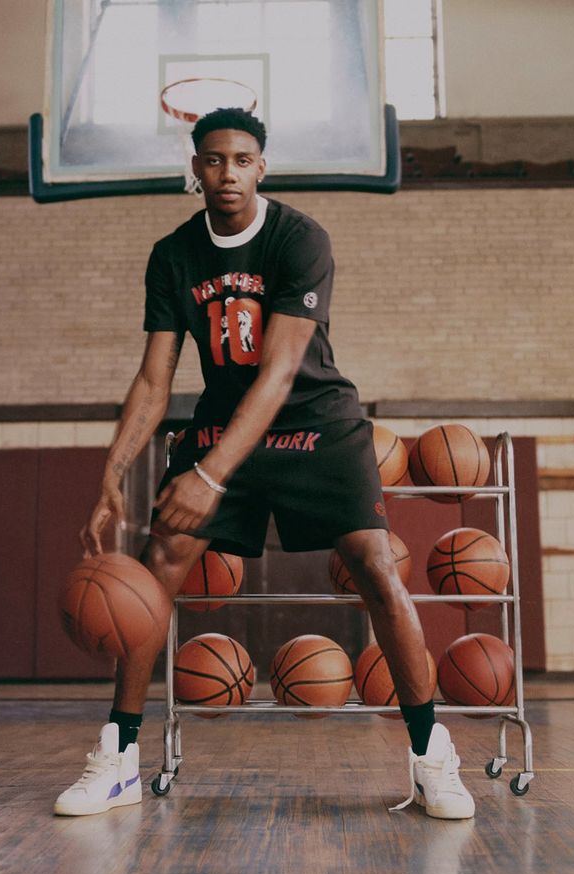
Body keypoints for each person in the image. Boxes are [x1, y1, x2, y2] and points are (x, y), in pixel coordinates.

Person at [54, 107, 475, 821]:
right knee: (160, 558)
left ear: (261, 167)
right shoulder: (173, 255)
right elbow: (155, 379)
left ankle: (432, 756)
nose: (227, 173)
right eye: (213, 160)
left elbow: (279, 371)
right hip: (221, 419)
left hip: (315, 418)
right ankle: (118, 755)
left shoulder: (298, 238)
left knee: (376, 565)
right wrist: (110, 476)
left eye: (242, 160)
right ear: (195, 169)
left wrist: (209, 475)